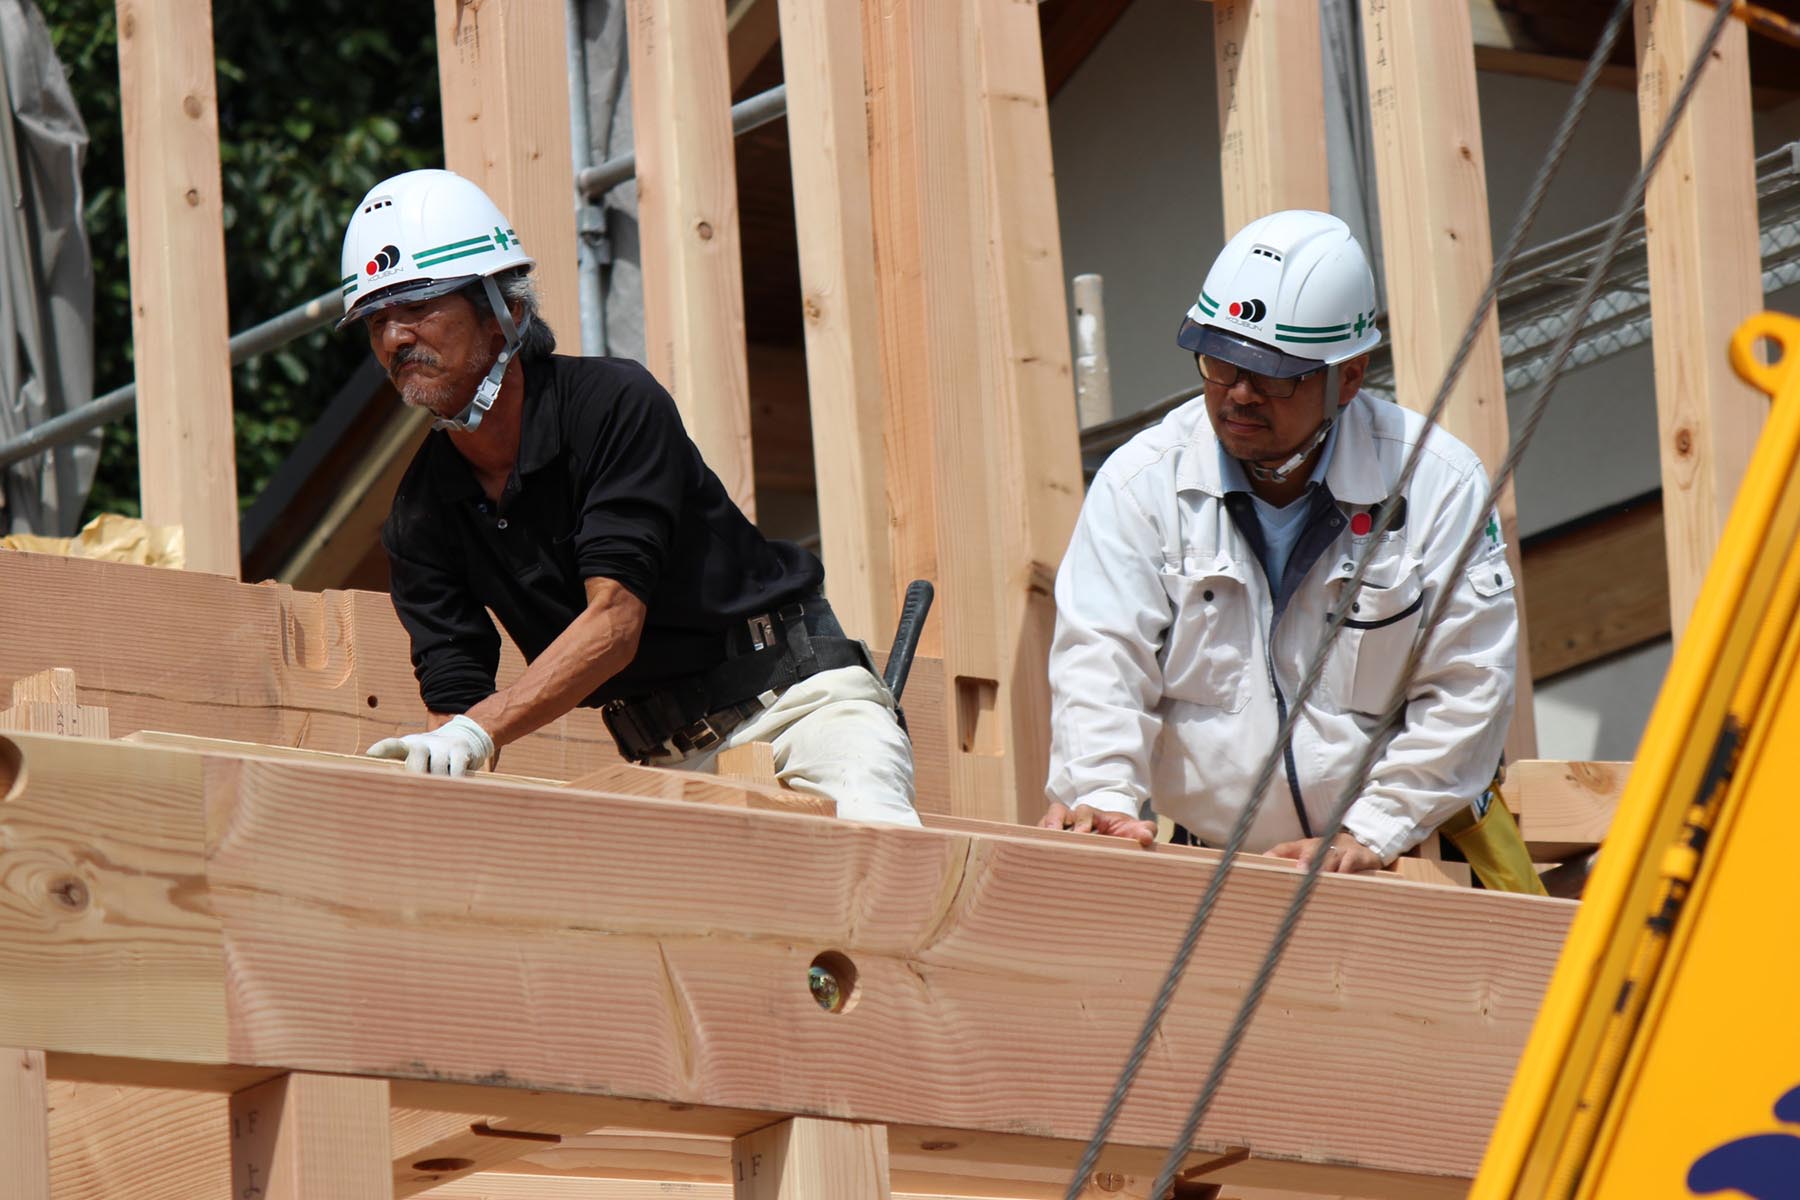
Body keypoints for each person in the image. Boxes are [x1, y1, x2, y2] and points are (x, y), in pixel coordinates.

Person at [338, 168, 917, 826]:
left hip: (798, 714)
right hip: (662, 767)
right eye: (376, 318)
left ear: (507, 315)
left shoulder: (612, 405)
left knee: (878, 864)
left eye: (418, 305)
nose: (393, 338)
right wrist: (438, 758)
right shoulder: (420, 513)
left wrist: (475, 732)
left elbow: (614, 624)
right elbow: (457, 712)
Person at [1040, 209, 1529, 880]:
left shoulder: (1434, 483)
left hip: (1410, 859)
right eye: (1219, 361)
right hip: (1215, 868)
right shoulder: (1142, 484)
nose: (1237, 394)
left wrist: (1372, 830)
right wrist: (1099, 795)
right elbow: (1101, 659)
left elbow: (1469, 683)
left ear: (1348, 378)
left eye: (1274, 374)